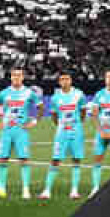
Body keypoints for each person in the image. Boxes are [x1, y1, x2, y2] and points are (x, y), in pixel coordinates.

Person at [0, 66, 43, 199]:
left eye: (19, 75)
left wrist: (34, 121)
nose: (16, 77)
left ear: (23, 77)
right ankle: (1, 190)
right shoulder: (4, 93)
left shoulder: (29, 93)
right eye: (14, 75)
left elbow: (40, 107)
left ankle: (26, 190)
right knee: (2, 159)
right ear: (10, 77)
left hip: (21, 131)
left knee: (24, 160)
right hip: (6, 131)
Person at [45, 72, 87, 201]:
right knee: (55, 159)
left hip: (76, 131)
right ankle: (47, 190)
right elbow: (53, 115)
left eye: (67, 79)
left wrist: (77, 124)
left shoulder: (79, 94)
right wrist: (61, 125)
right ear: (59, 82)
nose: (65, 81)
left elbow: (83, 111)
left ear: (71, 80)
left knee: (76, 159)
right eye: (62, 79)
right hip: (61, 132)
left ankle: (74, 190)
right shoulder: (55, 97)